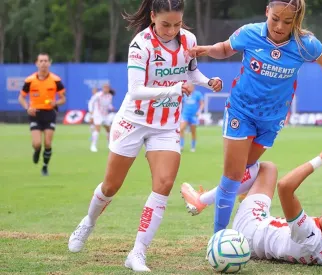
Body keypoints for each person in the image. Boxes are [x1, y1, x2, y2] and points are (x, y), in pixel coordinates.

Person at [67, 0, 222, 272]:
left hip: (166, 124)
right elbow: (136, 90)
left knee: (164, 184)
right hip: (134, 121)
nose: (172, 30)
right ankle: (88, 222)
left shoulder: (189, 39)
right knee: (111, 186)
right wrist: (174, 89)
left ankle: (137, 253)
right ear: (152, 16)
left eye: (177, 24)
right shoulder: (141, 44)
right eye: (165, 24)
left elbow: (191, 70)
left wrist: (207, 81)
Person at [182, 0, 322, 234]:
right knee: (232, 177)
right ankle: (218, 238)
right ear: (266, 12)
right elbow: (225, 48)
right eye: (275, 19)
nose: (280, 26)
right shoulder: (250, 33)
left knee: (247, 170)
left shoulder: (305, 45)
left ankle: (203, 200)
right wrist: (207, 49)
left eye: (288, 21)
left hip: (272, 120)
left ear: (297, 21)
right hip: (241, 111)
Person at [18, 53, 66, 176]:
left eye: (46, 61)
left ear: (49, 63)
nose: (43, 63)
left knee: (48, 143)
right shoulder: (30, 80)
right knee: (37, 143)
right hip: (35, 113)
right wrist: (27, 107)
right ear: (37, 63)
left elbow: (63, 99)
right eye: (41, 61)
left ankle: (45, 166)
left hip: (49, 113)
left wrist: (55, 102)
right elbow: (21, 98)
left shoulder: (56, 80)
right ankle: (37, 151)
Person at [88, 83, 115, 152]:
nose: (106, 89)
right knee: (97, 129)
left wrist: (111, 107)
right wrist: (91, 112)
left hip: (105, 115)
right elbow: (91, 102)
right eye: (105, 87)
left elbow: (108, 104)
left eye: (107, 87)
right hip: (98, 114)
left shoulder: (110, 96)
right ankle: (93, 146)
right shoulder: (98, 95)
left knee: (109, 129)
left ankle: (109, 145)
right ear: (103, 88)